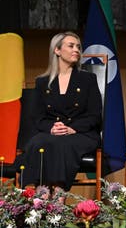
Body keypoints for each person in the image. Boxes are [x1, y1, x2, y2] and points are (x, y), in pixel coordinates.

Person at [18, 32, 102, 190]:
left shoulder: (88, 79)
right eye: (71, 46)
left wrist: (72, 128)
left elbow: (95, 115)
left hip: (81, 133)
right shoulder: (42, 82)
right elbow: (38, 117)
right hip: (52, 133)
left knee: (60, 144)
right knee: (37, 142)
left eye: (78, 46)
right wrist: (52, 127)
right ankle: (40, 193)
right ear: (57, 50)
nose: (76, 49)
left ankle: (58, 195)